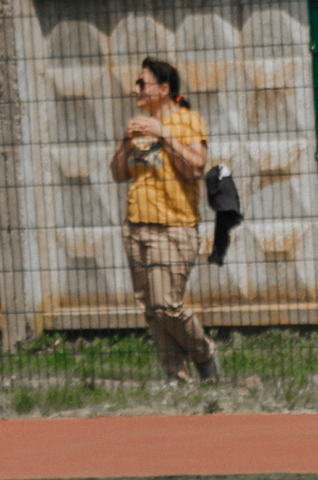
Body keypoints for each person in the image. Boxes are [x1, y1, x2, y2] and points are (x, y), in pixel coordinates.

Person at [108, 56, 219, 383]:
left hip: (173, 229)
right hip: (136, 227)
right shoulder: (139, 126)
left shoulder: (188, 121)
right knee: (152, 312)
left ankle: (205, 353)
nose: (135, 89)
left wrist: (164, 134)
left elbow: (195, 168)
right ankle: (178, 380)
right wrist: (126, 142)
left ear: (164, 88)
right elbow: (117, 173)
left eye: (142, 83)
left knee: (167, 305)